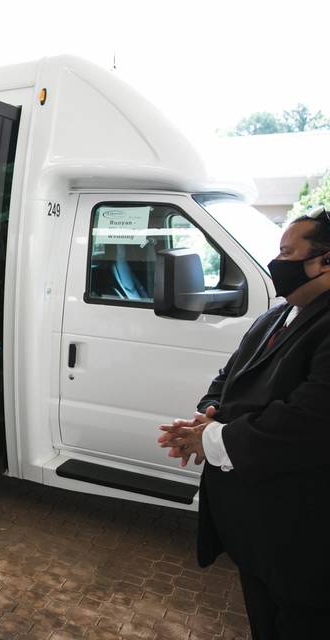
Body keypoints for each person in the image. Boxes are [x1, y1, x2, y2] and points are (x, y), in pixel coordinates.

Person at [158, 206, 330, 639]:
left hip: (302, 533)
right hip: (258, 530)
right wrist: (209, 414)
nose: (277, 264)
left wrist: (210, 440)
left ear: (324, 260)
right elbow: (228, 377)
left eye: (288, 253)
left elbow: (307, 422)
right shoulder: (277, 314)